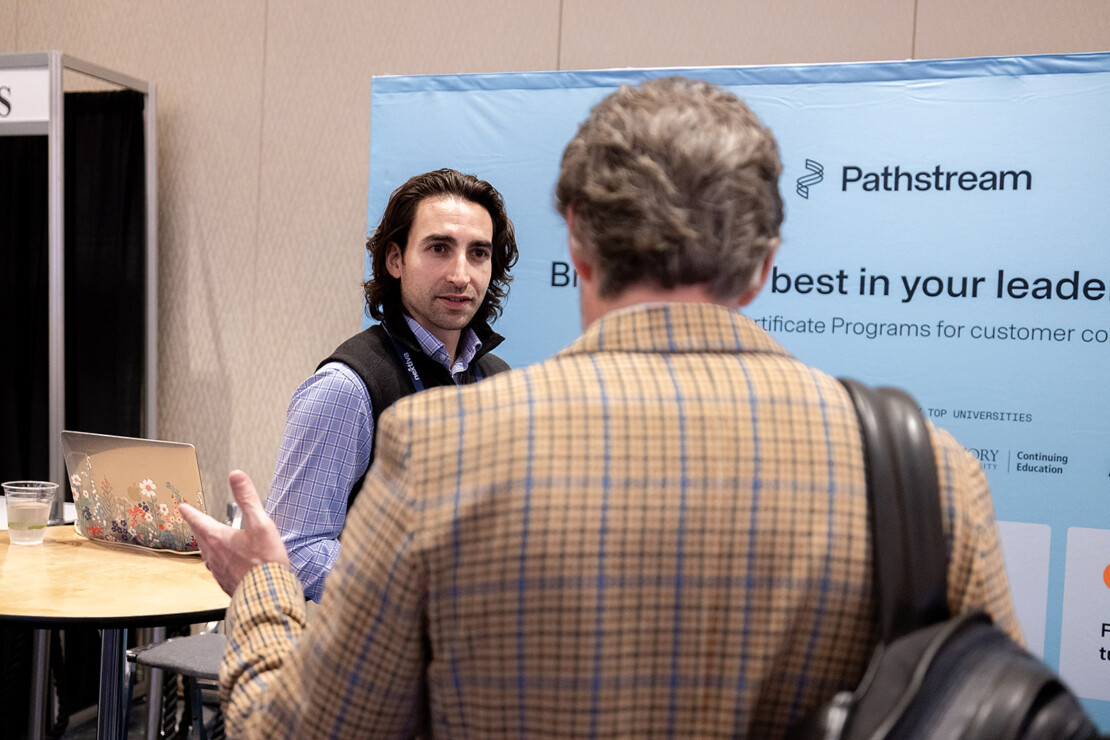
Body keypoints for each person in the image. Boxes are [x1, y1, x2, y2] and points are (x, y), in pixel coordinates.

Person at [183, 77, 1020, 738]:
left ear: (576, 244)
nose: (460, 272)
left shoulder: (441, 451)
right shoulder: (936, 479)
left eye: (477, 252)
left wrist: (263, 589)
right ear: (765, 264)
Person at [264, 168, 518, 601]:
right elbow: (293, 550)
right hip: (374, 656)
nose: (461, 275)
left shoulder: (499, 380)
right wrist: (420, 589)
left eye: (478, 253)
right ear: (395, 259)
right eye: (439, 248)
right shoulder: (347, 386)